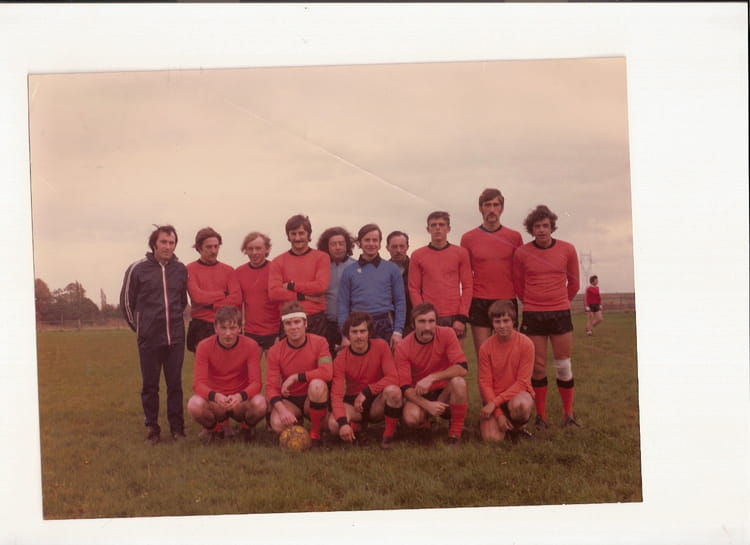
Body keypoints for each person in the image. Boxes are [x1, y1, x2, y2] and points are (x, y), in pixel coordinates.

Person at [513, 205, 581, 429]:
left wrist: (559, 301)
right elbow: (518, 285)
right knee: (538, 367)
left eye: (545, 225)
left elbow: (574, 283)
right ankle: (541, 416)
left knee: (563, 365)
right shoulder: (522, 253)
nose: (541, 230)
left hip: (560, 313)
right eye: (537, 226)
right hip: (534, 314)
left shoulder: (567, 249)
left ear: (552, 227)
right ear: (531, 229)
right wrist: (534, 302)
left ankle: (568, 415)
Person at [120, 224, 188, 444]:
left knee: (175, 385)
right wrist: (141, 329)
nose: (167, 246)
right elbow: (127, 303)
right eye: (163, 242)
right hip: (149, 339)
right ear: (154, 244)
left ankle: (177, 428)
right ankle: (152, 428)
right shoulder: (137, 268)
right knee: (150, 386)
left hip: (175, 338)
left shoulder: (180, 269)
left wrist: (175, 325)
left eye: (171, 242)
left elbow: (181, 301)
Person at [187, 306, 268, 442]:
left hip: (239, 402)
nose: (228, 333)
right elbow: (198, 384)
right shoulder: (203, 346)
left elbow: (256, 383)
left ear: (240, 328)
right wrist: (215, 396)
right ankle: (215, 430)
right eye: (223, 328)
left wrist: (239, 396)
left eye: (232, 328)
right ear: (215, 328)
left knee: (260, 403)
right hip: (216, 401)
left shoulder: (251, 345)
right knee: (194, 405)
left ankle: (246, 429)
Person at [460, 188, 523, 359]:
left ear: (502, 208)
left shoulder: (514, 237)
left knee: (509, 356)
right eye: (487, 205)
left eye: (496, 205)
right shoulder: (468, 238)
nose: (492, 209)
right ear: (480, 208)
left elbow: (520, 272)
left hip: (506, 300)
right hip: (479, 300)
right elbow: (466, 275)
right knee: (484, 356)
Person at [394, 302, 469, 444]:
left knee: (459, 382)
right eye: (421, 321)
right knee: (411, 418)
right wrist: (428, 405)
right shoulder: (403, 346)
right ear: (413, 324)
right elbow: (405, 388)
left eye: (431, 321)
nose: (427, 327)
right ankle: (424, 423)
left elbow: (462, 367)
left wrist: (432, 377)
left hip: (444, 392)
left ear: (436, 322)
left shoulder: (447, 334)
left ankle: (455, 432)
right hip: (419, 392)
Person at [328, 311, 403, 449]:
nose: (359, 336)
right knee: (334, 425)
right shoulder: (340, 359)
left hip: (376, 400)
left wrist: (367, 391)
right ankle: (355, 427)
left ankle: (388, 437)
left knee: (394, 391)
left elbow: (393, 377)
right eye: (354, 332)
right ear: (348, 334)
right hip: (353, 404)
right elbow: (336, 396)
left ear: (369, 332)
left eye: (363, 331)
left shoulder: (381, 346)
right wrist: (343, 424)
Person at [265, 301, 333, 448]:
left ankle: (316, 434)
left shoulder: (320, 342)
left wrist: (296, 377)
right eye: (288, 323)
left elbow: (327, 373)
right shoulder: (275, 351)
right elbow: (271, 387)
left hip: (312, 397)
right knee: (277, 424)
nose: (293, 327)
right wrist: (282, 411)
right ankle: (298, 423)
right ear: (284, 327)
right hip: (291, 400)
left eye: (297, 322)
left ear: (305, 323)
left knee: (317, 385)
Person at [338, 224, 406, 350]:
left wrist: (398, 331)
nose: (371, 244)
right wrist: (344, 335)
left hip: (385, 324)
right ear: (360, 243)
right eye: (367, 240)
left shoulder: (392, 269)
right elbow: (343, 304)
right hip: (357, 325)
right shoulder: (349, 271)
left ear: (380, 244)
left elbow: (400, 302)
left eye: (375, 240)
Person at [408, 211, 473, 340]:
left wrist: (462, 316)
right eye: (433, 225)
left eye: (442, 224)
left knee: (455, 353)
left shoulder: (461, 253)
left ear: (448, 228)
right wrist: (422, 315)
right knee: (428, 353)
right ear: (428, 229)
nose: (437, 228)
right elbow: (413, 288)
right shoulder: (417, 255)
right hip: (429, 315)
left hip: (454, 316)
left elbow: (468, 286)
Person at [478, 300, 535, 443]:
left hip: (516, 396)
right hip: (494, 398)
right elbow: (485, 383)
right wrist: (498, 414)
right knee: (492, 440)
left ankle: (517, 428)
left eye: (506, 321)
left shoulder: (526, 344)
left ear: (513, 321)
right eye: (497, 322)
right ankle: (502, 424)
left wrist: (494, 403)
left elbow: (522, 383)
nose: (502, 326)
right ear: (492, 323)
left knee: (521, 406)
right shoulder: (485, 347)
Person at [268, 214, 330, 338]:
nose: (297, 238)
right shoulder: (278, 261)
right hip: (289, 317)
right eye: (293, 234)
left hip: (315, 318)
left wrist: (291, 286)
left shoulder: (321, 257)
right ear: (288, 236)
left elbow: (321, 287)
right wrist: (304, 296)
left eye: (301, 233)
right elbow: (274, 293)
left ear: (308, 234)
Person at [186, 227, 241, 353]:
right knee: (203, 364)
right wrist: (223, 294)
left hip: (226, 324)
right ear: (199, 248)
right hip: (201, 325)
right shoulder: (189, 269)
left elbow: (237, 298)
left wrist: (212, 305)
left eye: (216, 246)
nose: (213, 251)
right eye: (209, 247)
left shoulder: (228, 270)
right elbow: (197, 297)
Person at [235, 232, 280, 354]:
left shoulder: (276, 269)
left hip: (274, 331)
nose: (254, 252)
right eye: (250, 249)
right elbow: (237, 305)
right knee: (249, 366)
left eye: (258, 248)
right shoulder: (239, 272)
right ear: (245, 250)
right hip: (251, 332)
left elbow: (283, 302)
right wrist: (237, 330)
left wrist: (281, 333)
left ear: (267, 249)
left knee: (275, 366)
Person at [316, 226, 357, 354]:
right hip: (327, 323)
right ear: (327, 246)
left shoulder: (356, 266)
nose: (338, 247)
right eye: (333, 244)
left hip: (351, 323)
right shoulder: (321, 267)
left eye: (341, 243)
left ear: (347, 245)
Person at [386, 230, 413, 336]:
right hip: (389, 324)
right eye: (394, 247)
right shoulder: (382, 271)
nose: (398, 250)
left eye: (402, 246)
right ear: (387, 248)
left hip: (413, 323)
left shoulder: (416, 269)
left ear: (407, 247)